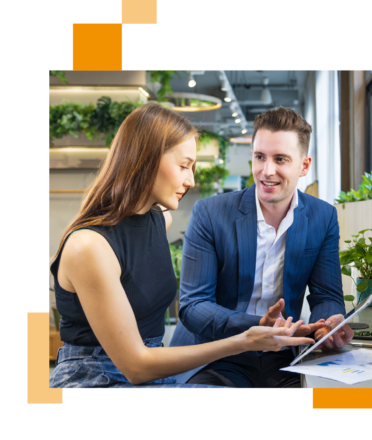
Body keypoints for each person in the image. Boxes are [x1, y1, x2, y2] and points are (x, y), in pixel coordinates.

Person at [49, 103, 315, 389]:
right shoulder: (89, 246)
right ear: (146, 159)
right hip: (96, 379)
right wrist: (242, 342)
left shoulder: (160, 219)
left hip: (154, 371)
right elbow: (136, 366)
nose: (190, 180)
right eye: (184, 166)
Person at [171, 106, 354, 389]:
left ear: (304, 166)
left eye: (280, 159)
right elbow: (193, 307)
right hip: (216, 354)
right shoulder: (210, 213)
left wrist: (327, 325)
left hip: (283, 356)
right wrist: (257, 325)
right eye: (260, 157)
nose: (267, 171)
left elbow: (326, 294)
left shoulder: (323, 217)